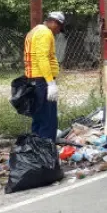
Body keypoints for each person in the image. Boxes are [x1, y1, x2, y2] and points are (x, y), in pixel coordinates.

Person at [23, 11, 65, 140]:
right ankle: (47, 152)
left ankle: (37, 151)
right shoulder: (45, 33)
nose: (58, 31)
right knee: (48, 120)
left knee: (39, 118)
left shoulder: (35, 30)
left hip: (34, 80)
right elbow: (42, 58)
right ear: (53, 22)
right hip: (42, 81)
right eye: (59, 27)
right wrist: (50, 83)